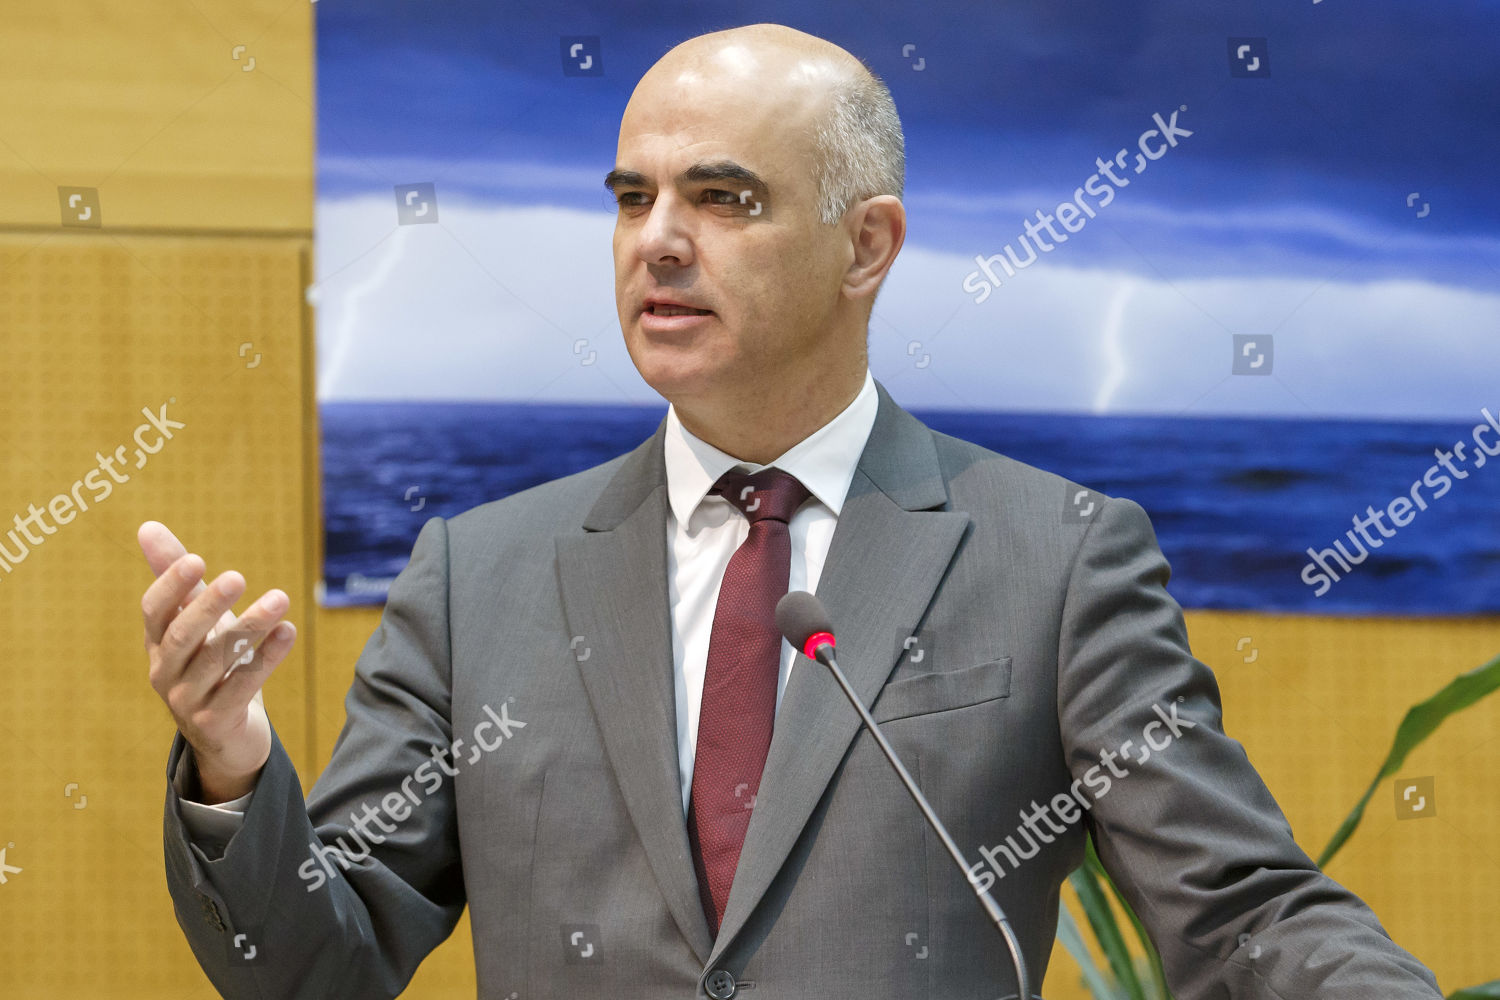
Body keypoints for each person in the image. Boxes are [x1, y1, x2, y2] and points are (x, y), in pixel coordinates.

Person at [140, 22, 1443, 1000]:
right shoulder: (475, 579)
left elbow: (1237, 910)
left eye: (721, 199)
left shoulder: (1054, 561)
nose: (657, 239)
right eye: (631, 197)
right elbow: (317, 966)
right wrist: (232, 765)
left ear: (866, 246)